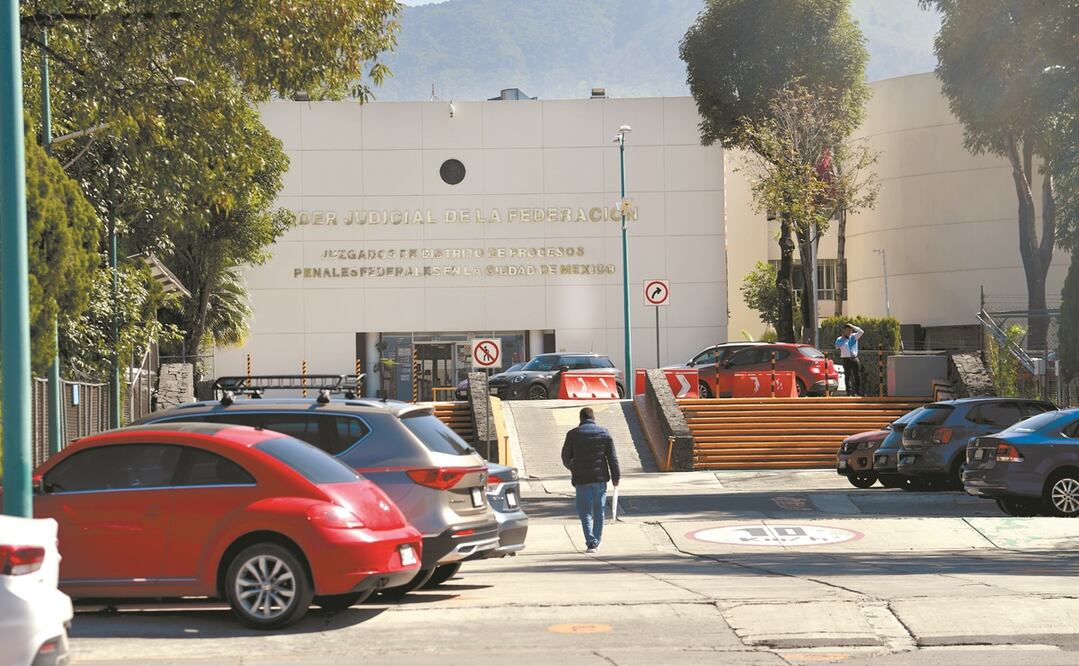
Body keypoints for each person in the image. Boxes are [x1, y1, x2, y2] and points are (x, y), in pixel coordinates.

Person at [561, 407, 620, 553]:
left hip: (581, 479)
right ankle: (597, 540)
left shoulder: (573, 434)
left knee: (585, 512)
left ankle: (590, 542)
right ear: (594, 418)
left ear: (580, 419)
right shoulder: (604, 433)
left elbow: (565, 457)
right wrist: (616, 477)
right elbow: (612, 458)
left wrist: (572, 467)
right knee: (599, 510)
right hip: (600, 479)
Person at [835, 323, 865, 397]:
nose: (849, 332)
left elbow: (861, 332)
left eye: (850, 330)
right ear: (844, 331)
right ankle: (849, 393)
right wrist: (843, 339)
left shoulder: (854, 337)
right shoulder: (840, 339)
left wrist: (853, 326)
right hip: (846, 358)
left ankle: (857, 392)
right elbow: (837, 347)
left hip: (854, 358)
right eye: (847, 330)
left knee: (857, 375)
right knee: (847, 376)